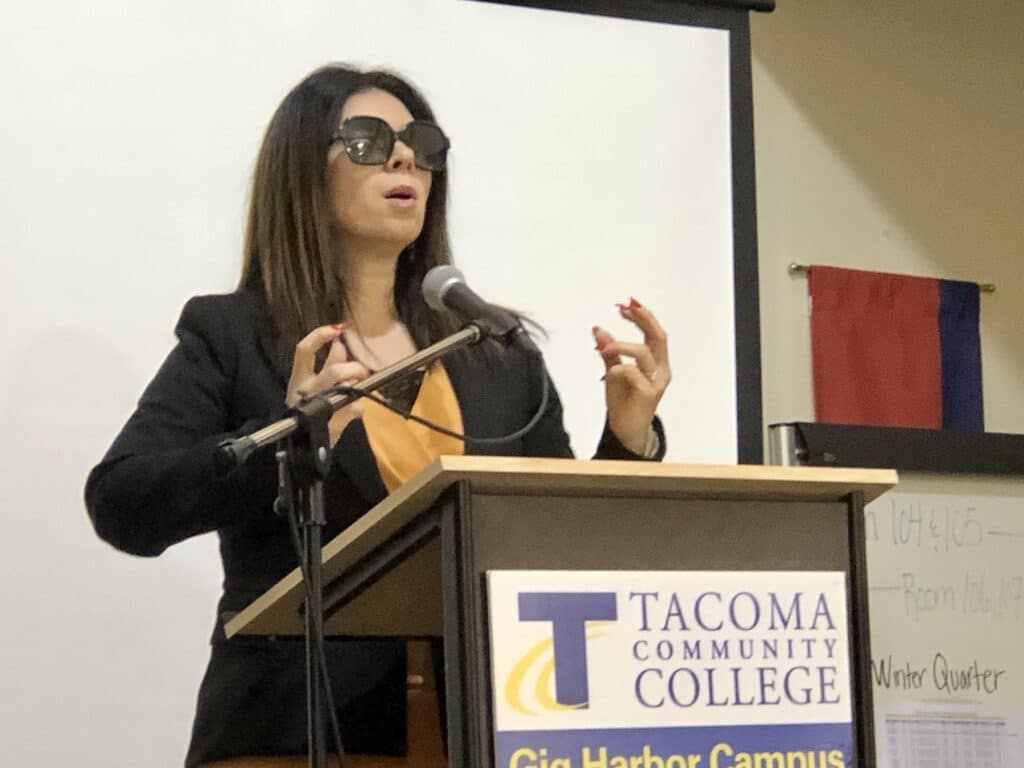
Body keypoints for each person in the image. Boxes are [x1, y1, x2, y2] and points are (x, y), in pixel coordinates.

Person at [85, 64, 671, 767]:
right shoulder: (236, 334)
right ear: (304, 171)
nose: (404, 158)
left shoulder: (495, 351)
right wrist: (292, 436)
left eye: (420, 143)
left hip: (480, 731)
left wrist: (628, 439)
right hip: (290, 734)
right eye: (366, 140)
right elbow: (123, 502)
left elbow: (559, 549)